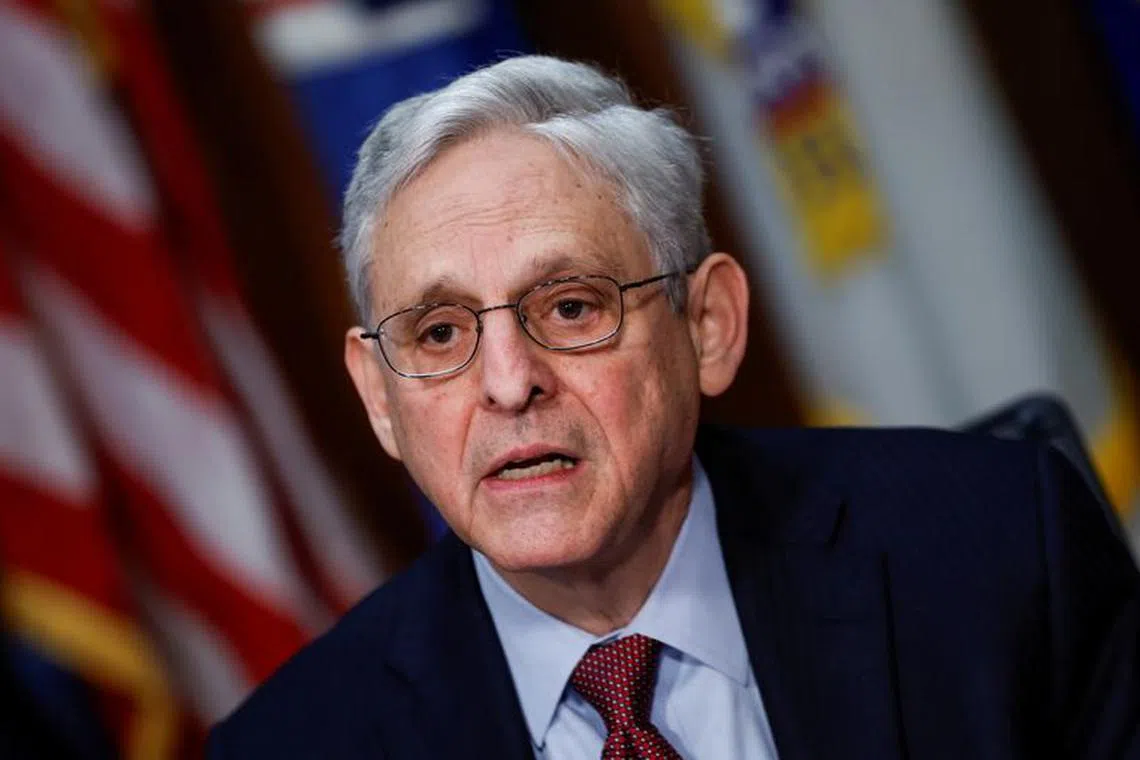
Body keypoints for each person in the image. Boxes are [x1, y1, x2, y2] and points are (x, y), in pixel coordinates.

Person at [207, 56, 1140, 759]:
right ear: (379, 394)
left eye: (569, 308)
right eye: (440, 334)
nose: (506, 383)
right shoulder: (293, 745)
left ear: (708, 326)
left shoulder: (1003, 553)